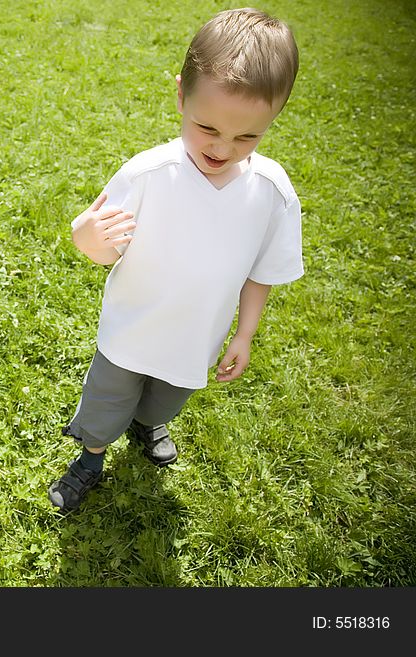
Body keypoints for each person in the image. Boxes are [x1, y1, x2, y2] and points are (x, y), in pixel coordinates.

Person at [49, 8, 303, 513]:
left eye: (247, 135)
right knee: (106, 405)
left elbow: (261, 273)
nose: (223, 147)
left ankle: (149, 425)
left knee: (165, 399)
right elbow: (105, 248)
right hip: (130, 332)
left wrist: (245, 335)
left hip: (195, 342)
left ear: (274, 118)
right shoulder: (149, 174)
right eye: (207, 126)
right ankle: (92, 457)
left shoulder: (271, 192)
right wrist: (85, 237)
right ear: (181, 95)